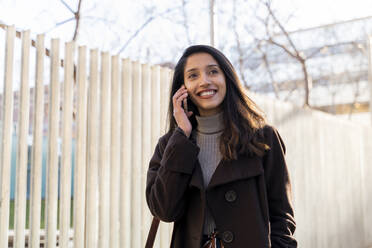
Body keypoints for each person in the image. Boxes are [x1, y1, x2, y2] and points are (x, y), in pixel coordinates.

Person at [146, 45, 297, 248]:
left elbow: (282, 217)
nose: (204, 81)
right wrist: (182, 135)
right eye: (193, 76)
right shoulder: (171, 146)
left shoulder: (263, 138)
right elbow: (164, 211)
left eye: (213, 71)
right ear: (182, 89)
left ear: (227, 78)